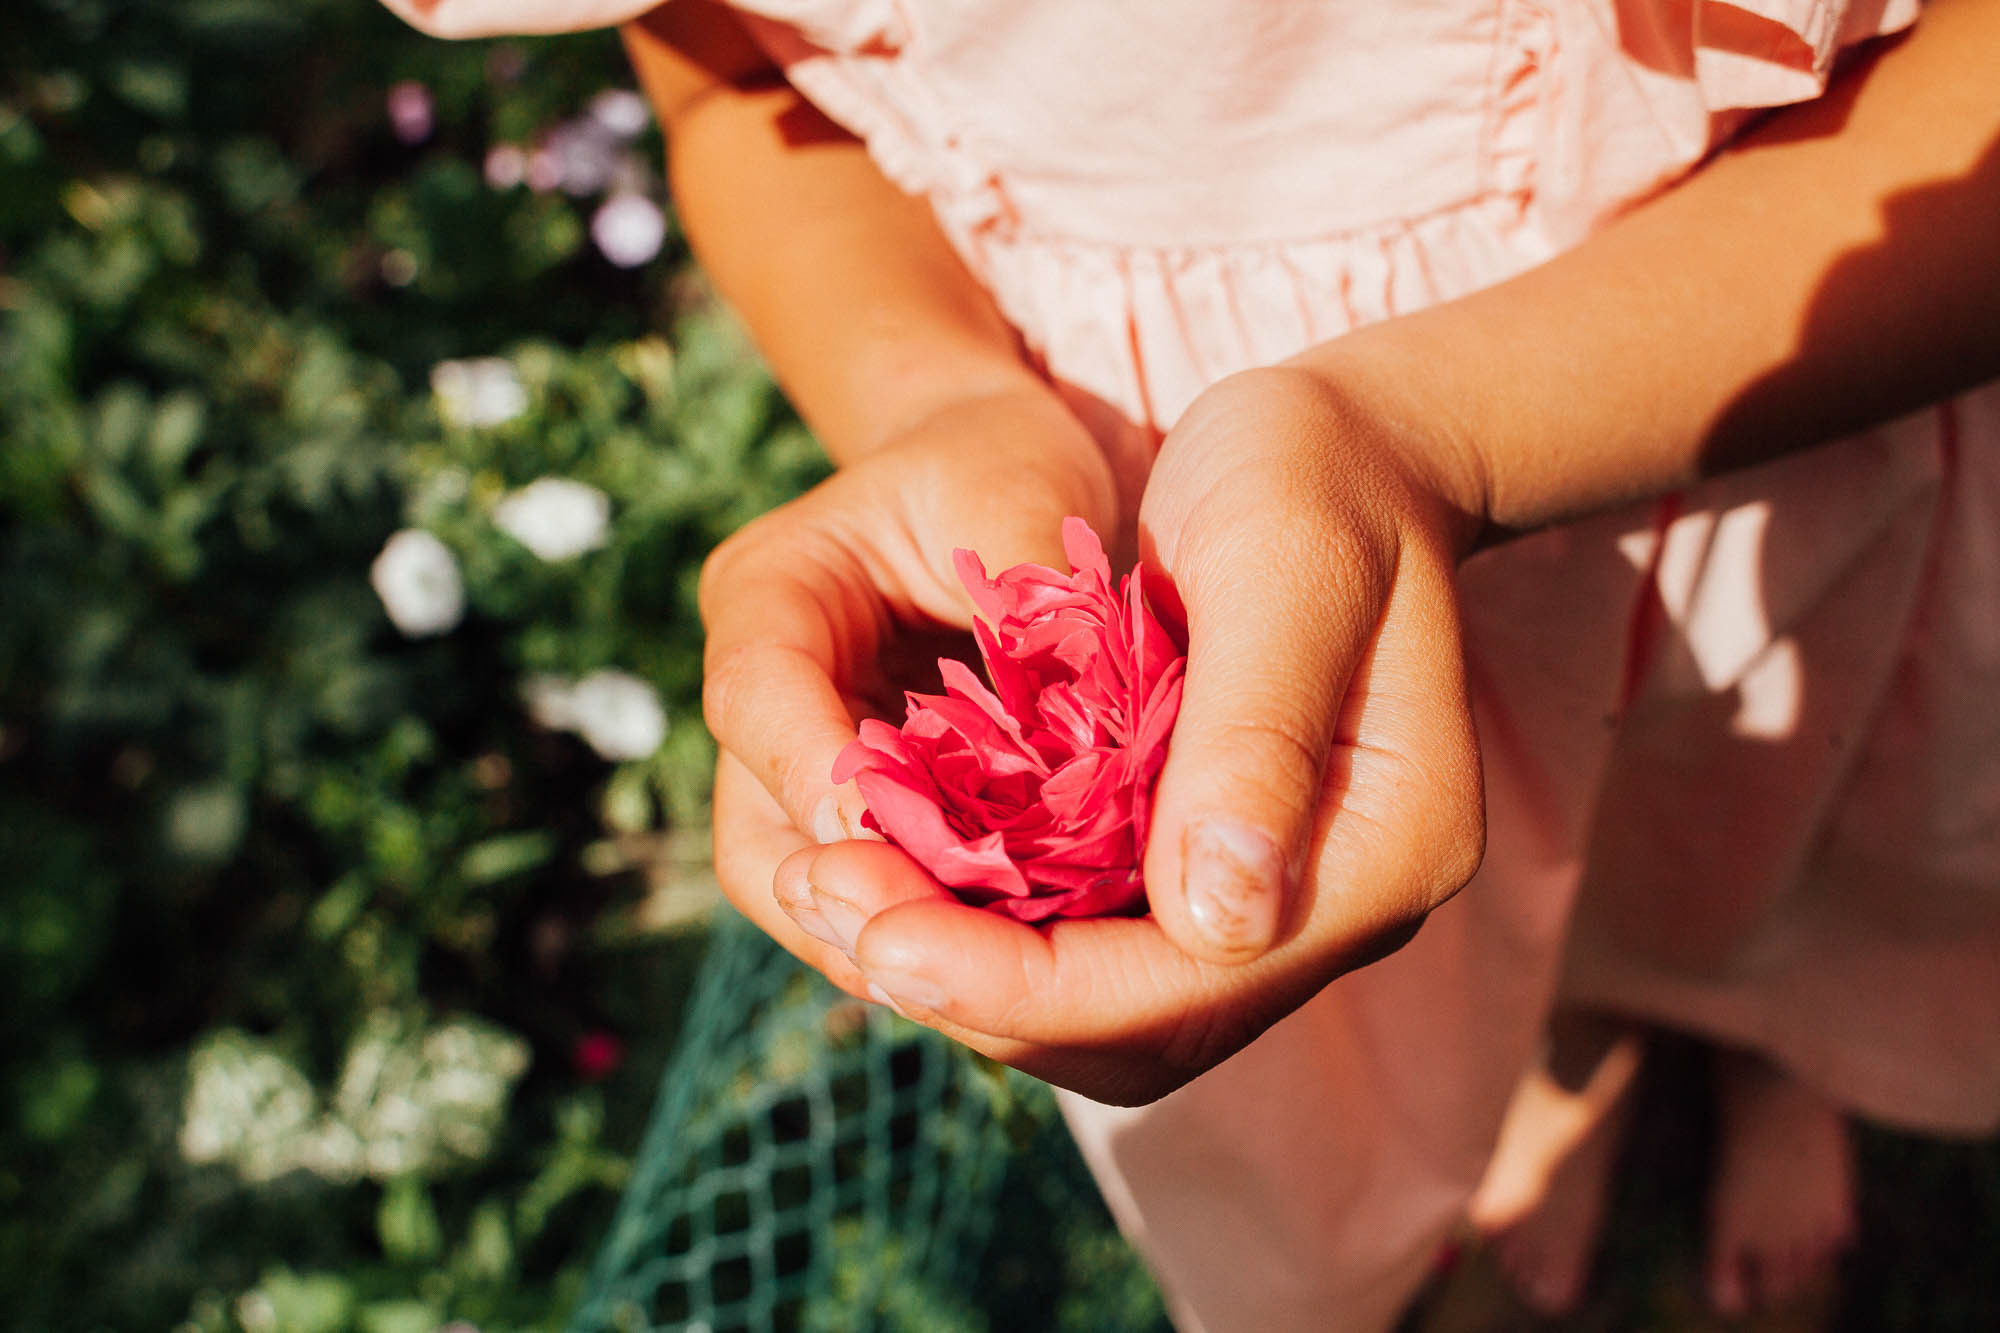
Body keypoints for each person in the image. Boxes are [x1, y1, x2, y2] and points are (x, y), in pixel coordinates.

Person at [383, 0, 2000, 1327]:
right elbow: (729, 74)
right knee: (1495, 919)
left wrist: (1437, 435)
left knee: (1745, 826)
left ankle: (1766, 1051)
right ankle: (1577, 1057)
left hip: (1750, 400)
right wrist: (941, 401)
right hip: (1167, 509)